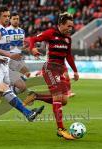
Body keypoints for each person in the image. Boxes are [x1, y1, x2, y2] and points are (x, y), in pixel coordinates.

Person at [0, 6, 42, 130]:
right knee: (9, 89)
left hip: (4, 63)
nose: (7, 18)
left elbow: (6, 48)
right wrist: (9, 55)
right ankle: (28, 113)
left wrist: (23, 51)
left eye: (8, 16)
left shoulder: (5, 30)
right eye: (5, 16)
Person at [24, 12, 79, 140]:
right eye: (68, 26)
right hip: (50, 68)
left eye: (72, 26)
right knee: (58, 96)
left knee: (64, 100)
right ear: (60, 24)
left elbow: (69, 56)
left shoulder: (68, 39)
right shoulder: (50, 33)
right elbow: (33, 39)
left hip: (60, 71)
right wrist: (32, 48)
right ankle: (61, 129)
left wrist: (75, 71)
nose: (70, 29)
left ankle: (35, 96)